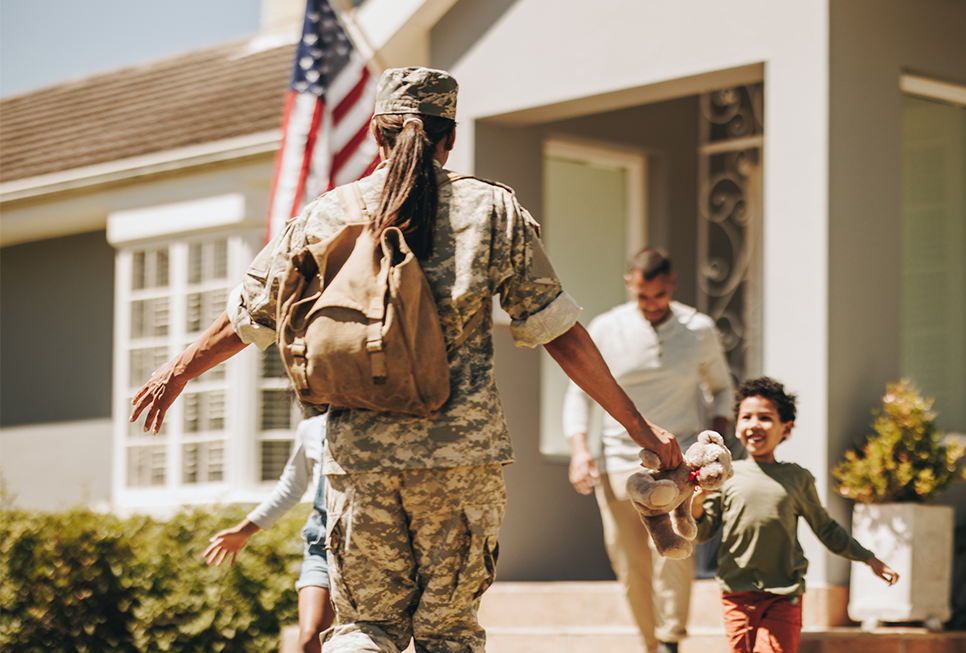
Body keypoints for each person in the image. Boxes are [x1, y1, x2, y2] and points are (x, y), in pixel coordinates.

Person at [130, 66, 681, 653]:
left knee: (364, 628)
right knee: (448, 633)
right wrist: (639, 427)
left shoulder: (325, 213)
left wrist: (178, 371)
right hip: (460, 460)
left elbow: (249, 318)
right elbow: (558, 330)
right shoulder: (492, 211)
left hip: (357, 461)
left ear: (375, 134)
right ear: (450, 138)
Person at [563, 248, 734, 653]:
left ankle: (671, 638)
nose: (651, 304)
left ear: (671, 284)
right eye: (643, 296)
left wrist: (713, 439)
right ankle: (649, 643)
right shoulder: (607, 328)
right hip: (619, 463)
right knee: (629, 561)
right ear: (630, 286)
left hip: (678, 465)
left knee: (674, 551)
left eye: (657, 295)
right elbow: (579, 393)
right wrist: (579, 451)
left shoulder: (699, 329)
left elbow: (723, 388)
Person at [691, 377, 899, 653]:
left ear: (785, 428)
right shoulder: (725, 476)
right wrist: (696, 504)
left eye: (764, 417)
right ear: (737, 425)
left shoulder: (797, 479)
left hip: (783, 594)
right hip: (736, 593)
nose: (754, 424)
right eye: (746, 417)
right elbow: (704, 532)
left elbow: (826, 529)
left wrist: (868, 558)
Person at [202, 413, 333, 653]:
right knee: (310, 638)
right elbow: (291, 488)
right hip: (323, 545)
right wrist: (245, 530)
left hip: (373, 546)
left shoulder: (386, 420)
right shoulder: (312, 428)